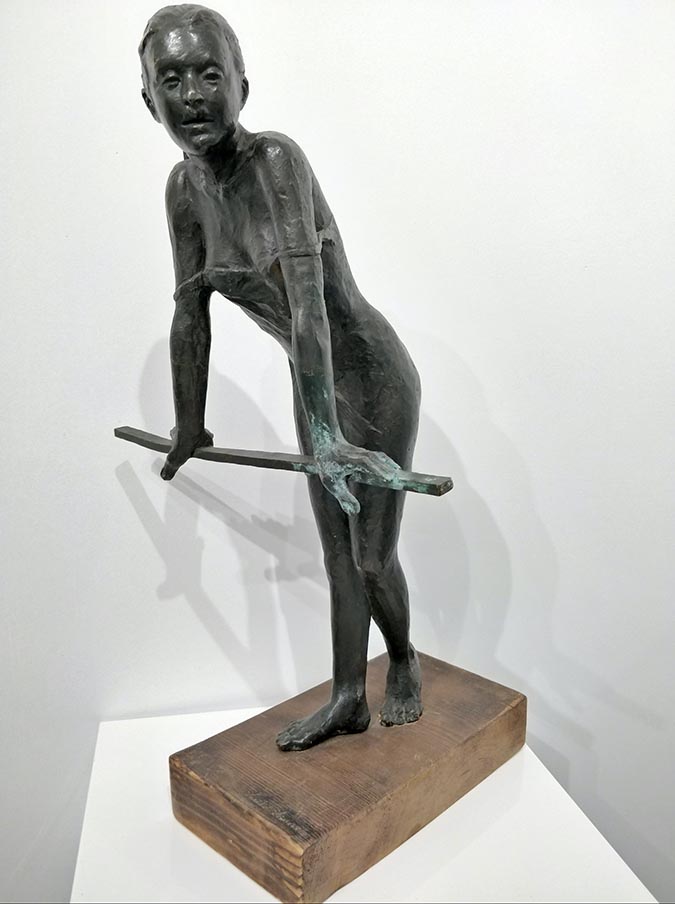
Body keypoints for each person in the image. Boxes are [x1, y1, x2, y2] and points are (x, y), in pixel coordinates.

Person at [139, 4, 423, 750]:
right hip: (314, 383)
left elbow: (309, 308)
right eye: (172, 79)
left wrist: (328, 435)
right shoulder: (182, 191)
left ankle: (401, 657)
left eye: (210, 74)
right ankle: (346, 698)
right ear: (148, 99)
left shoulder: (275, 162)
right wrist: (190, 424)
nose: (193, 95)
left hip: (369, 375)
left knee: (370, 555)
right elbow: (190, 314)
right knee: (336, 557)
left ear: (243, 85)